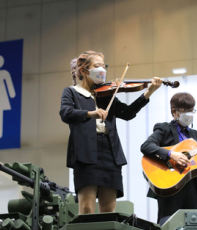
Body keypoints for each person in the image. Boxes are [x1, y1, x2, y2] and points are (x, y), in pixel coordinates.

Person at [60, 50, 162, 214]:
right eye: (97, 66)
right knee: (86, 208)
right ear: (84, 70)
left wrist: (148, 93)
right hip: (85, 153)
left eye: (103, 66)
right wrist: (90, 114)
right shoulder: (72, 92)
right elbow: (65, 113)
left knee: (109, 209)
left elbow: (127, 113)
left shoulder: (106, 94)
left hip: (109, 152)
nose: (102, 70)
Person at [140, 92, 197, 225]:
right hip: (169, 186)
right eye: (186, 111)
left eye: (192, 110)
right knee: (169, 224)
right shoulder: (164, 128)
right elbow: (146, 146)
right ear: (175, 112)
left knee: (193, 225)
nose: (190, 114)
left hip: (192, 189)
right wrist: (171, 154)